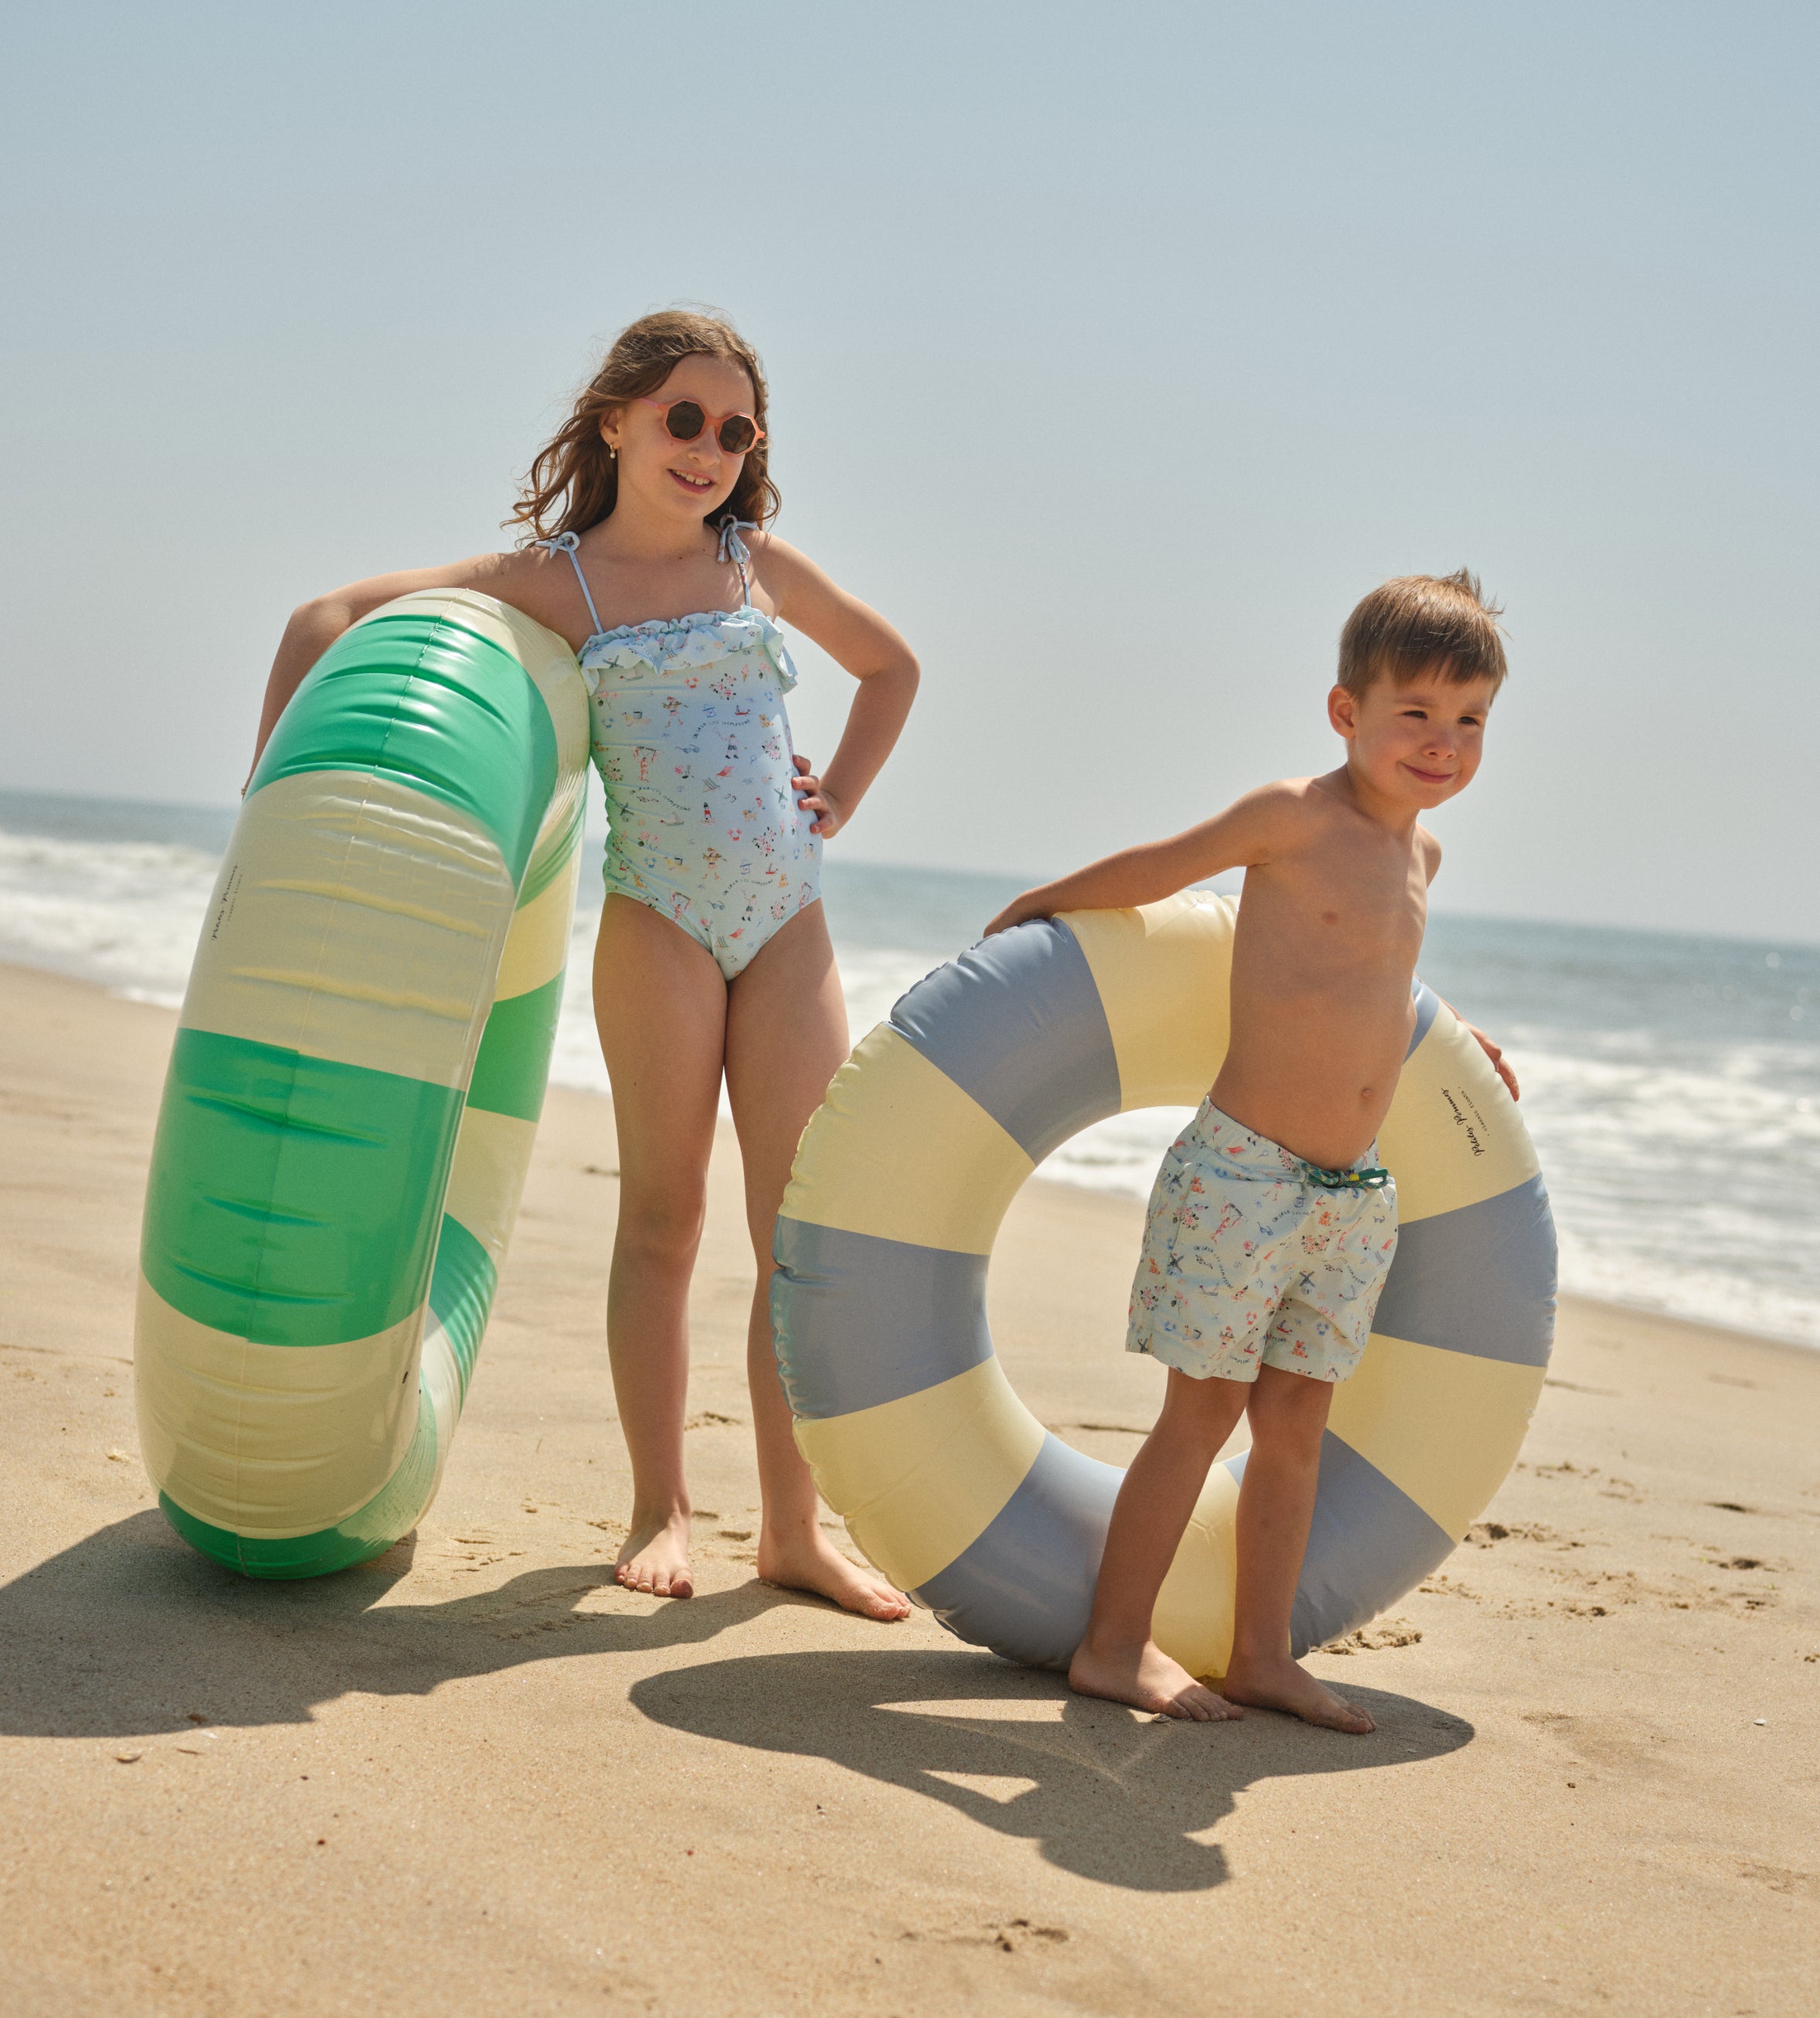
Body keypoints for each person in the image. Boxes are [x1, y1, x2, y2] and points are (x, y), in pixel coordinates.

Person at [248, 309, 918, 1619]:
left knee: (798, 1239)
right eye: (684, 418)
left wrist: (836, 794)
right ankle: (660, 1505)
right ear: (614, 419)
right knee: (664, 1223)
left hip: (790, 923)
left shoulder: (756, 562)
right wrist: (267, 798)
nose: (709, 450)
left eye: (736, 430)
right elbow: (324, 616)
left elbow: (892, 667)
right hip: (660, 922)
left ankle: (794, 1527)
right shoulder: (562, 584)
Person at [983, 571, 1518, 1724]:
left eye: (1470, 719)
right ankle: (1114, 1644)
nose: (1444, 742)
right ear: (1347, 714)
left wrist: (1459, 1033)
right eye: (1416, 714)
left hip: (1350, 1197)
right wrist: (1042, 905)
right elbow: (1163, 869)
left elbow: (1372, 981)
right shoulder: (1293, 816)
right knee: (1202, 1414)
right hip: (1243, 1177)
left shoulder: (1423, 861)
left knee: (1295, 1431)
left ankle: (1263, 1653)